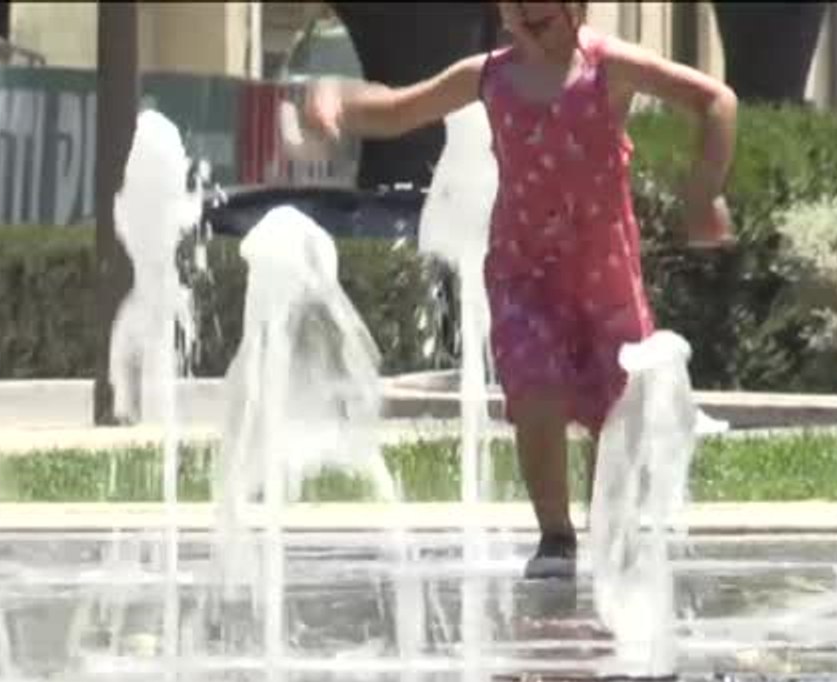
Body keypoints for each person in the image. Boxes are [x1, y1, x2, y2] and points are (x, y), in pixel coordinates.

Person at [300, 2, 737, 579]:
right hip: (522, 274)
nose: (530, 20)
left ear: (576, 8)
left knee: (617, 410)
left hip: (604, 276)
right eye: (518, 10)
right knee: (535, 391)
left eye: (545, 14)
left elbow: (716, 101)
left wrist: (704, 194)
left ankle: (617, 526)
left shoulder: (611, 67)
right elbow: (401, 109)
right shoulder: (486, 76)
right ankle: (555, 535)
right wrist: (338, 102)